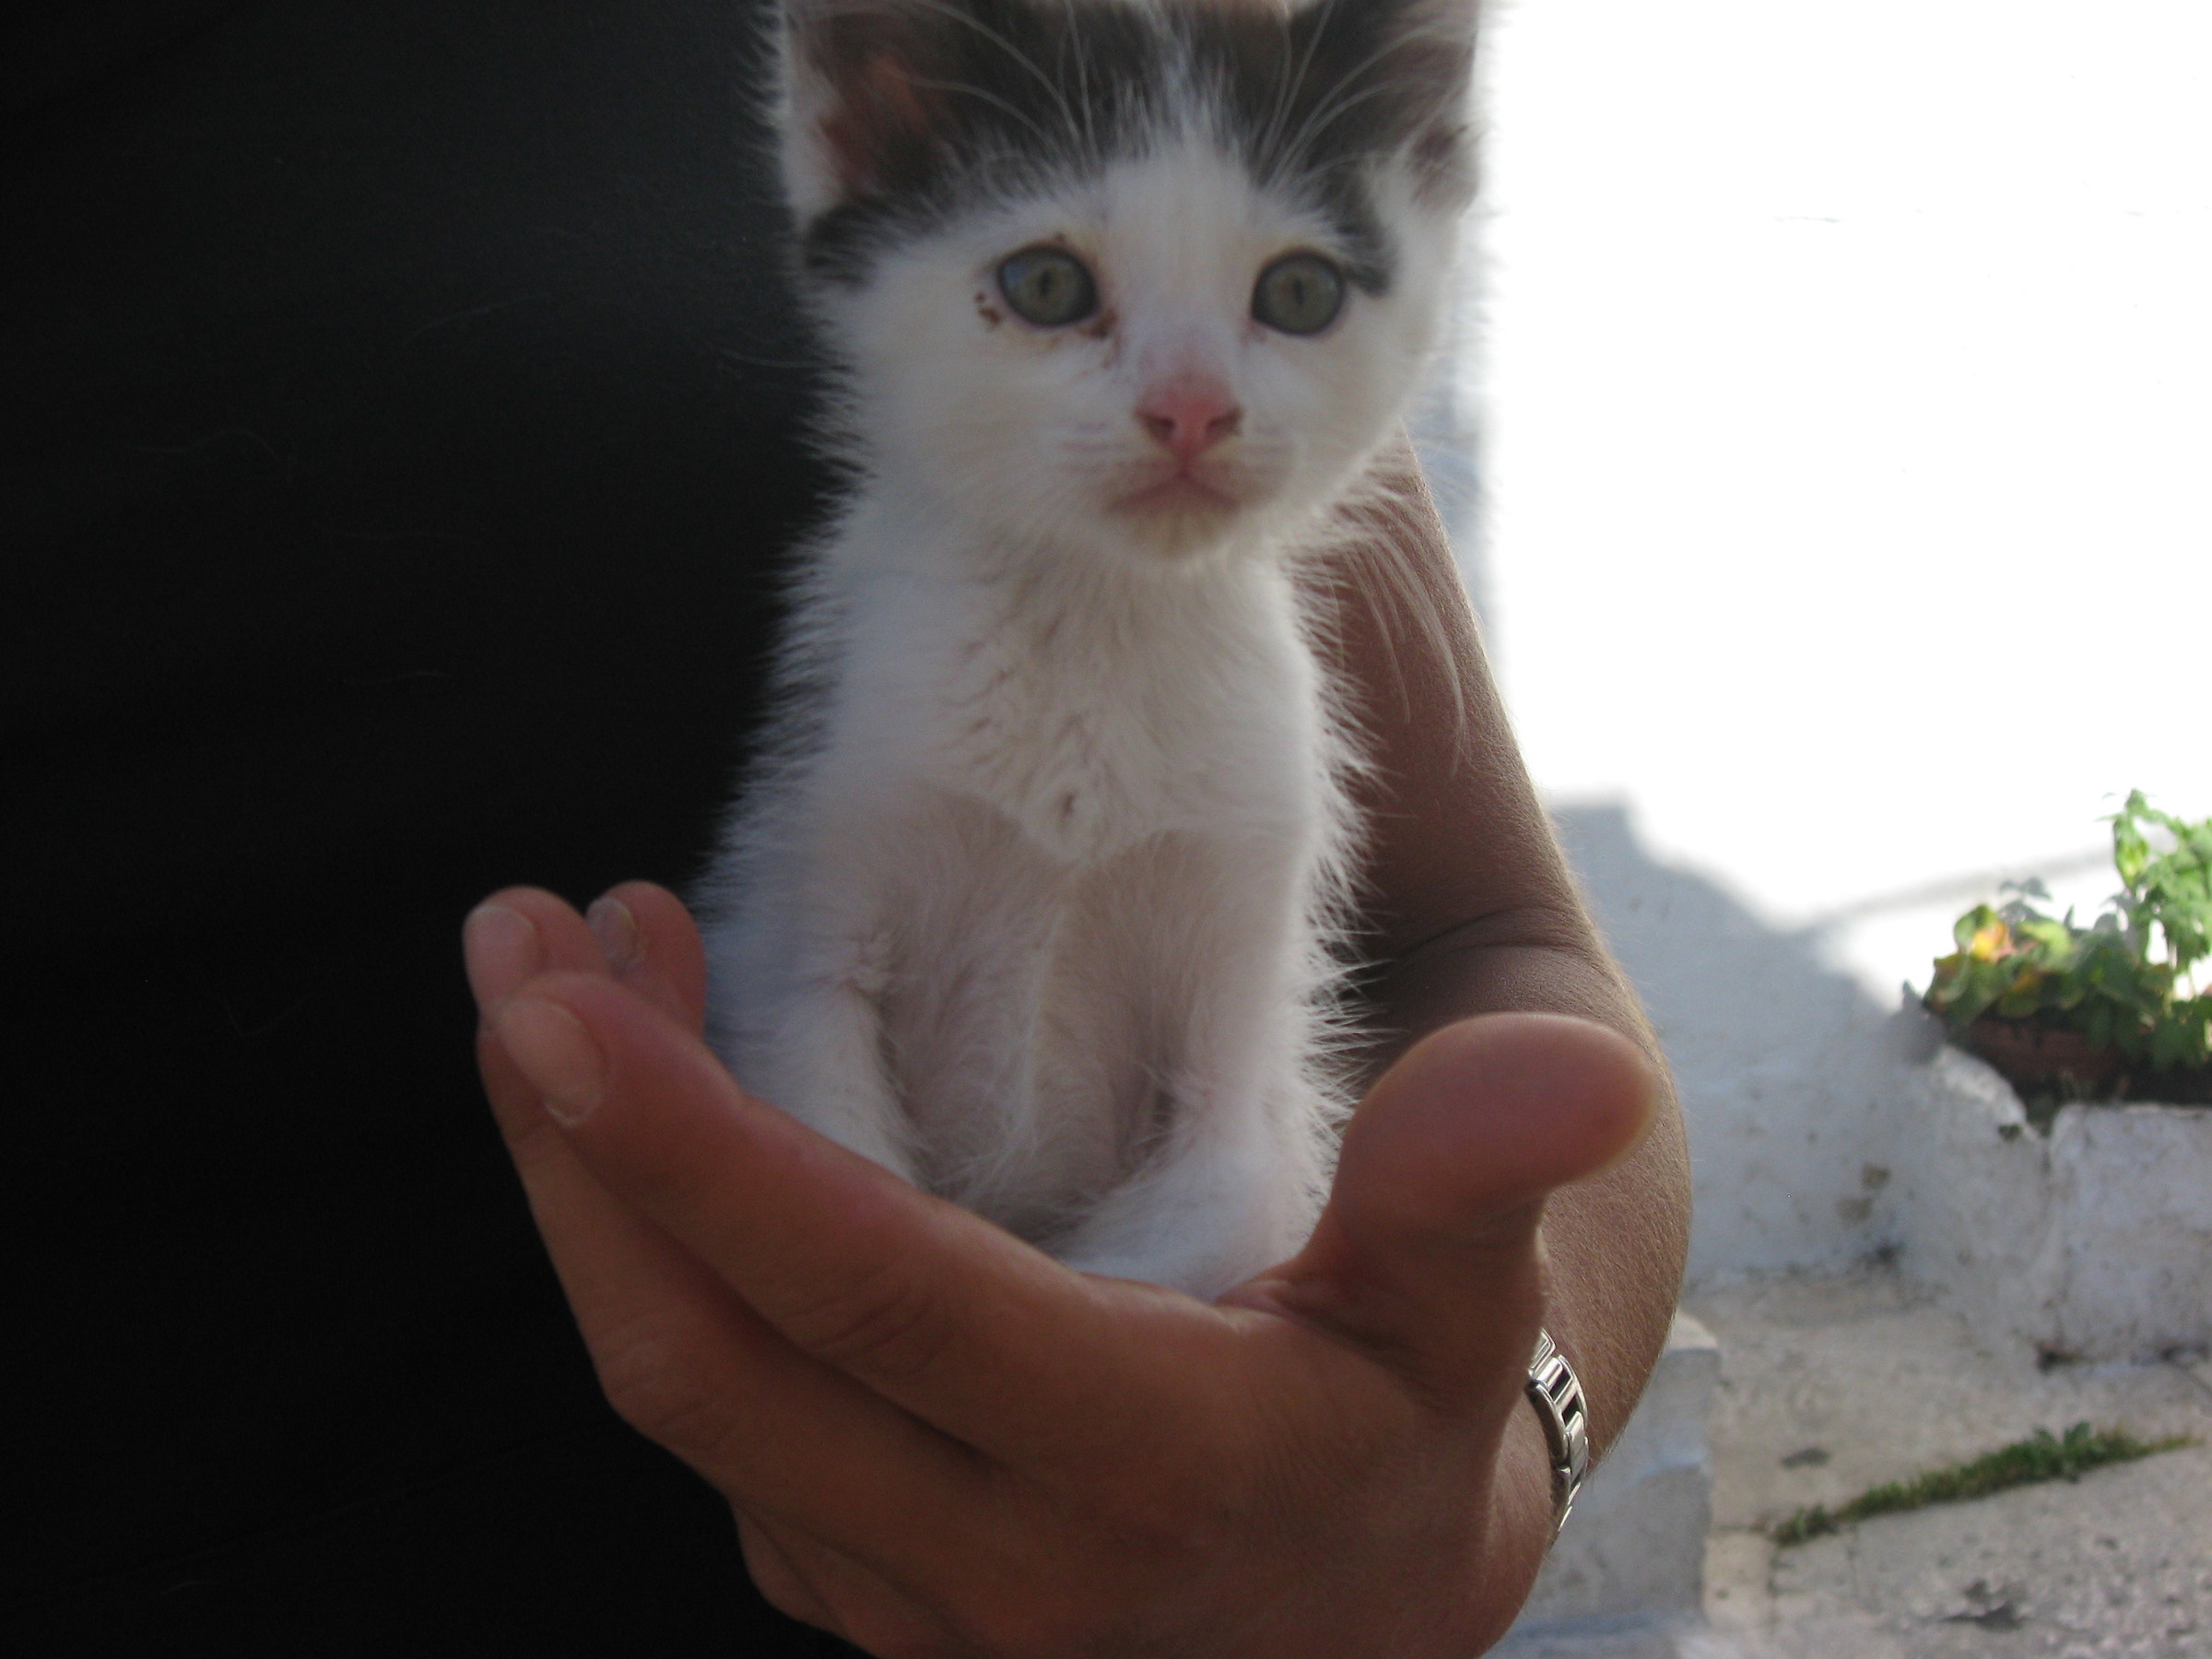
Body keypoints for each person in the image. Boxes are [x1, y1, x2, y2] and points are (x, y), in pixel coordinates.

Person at [8, 1, 1688, 1651]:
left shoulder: (1159, 111)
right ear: (846, 139)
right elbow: (816, 988)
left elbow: (1451, 968)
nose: (1193, 408)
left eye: (1297, 295)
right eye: (1053, 291)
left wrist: (1441, 1466)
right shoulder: (910, 641)